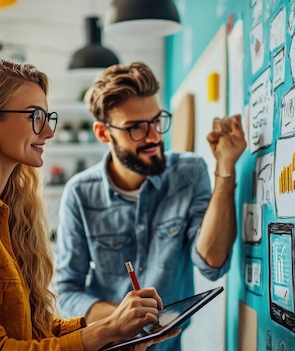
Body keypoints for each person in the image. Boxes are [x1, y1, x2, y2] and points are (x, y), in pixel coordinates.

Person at [0, 59, 177, 351]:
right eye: (35, 116)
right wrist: (108, 330)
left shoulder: (5, 210)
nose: (48, 132)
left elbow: (34, 330)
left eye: (47, 117)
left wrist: (119, 328)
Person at [55, 62, 246, 350]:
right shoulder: (80, 194)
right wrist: (121, 322)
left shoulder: (190, 172)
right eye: (135, 128)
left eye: (156, 121)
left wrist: (225, 169)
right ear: (103, 133)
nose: (154, 137)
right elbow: (68, 292)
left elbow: (212, 264)